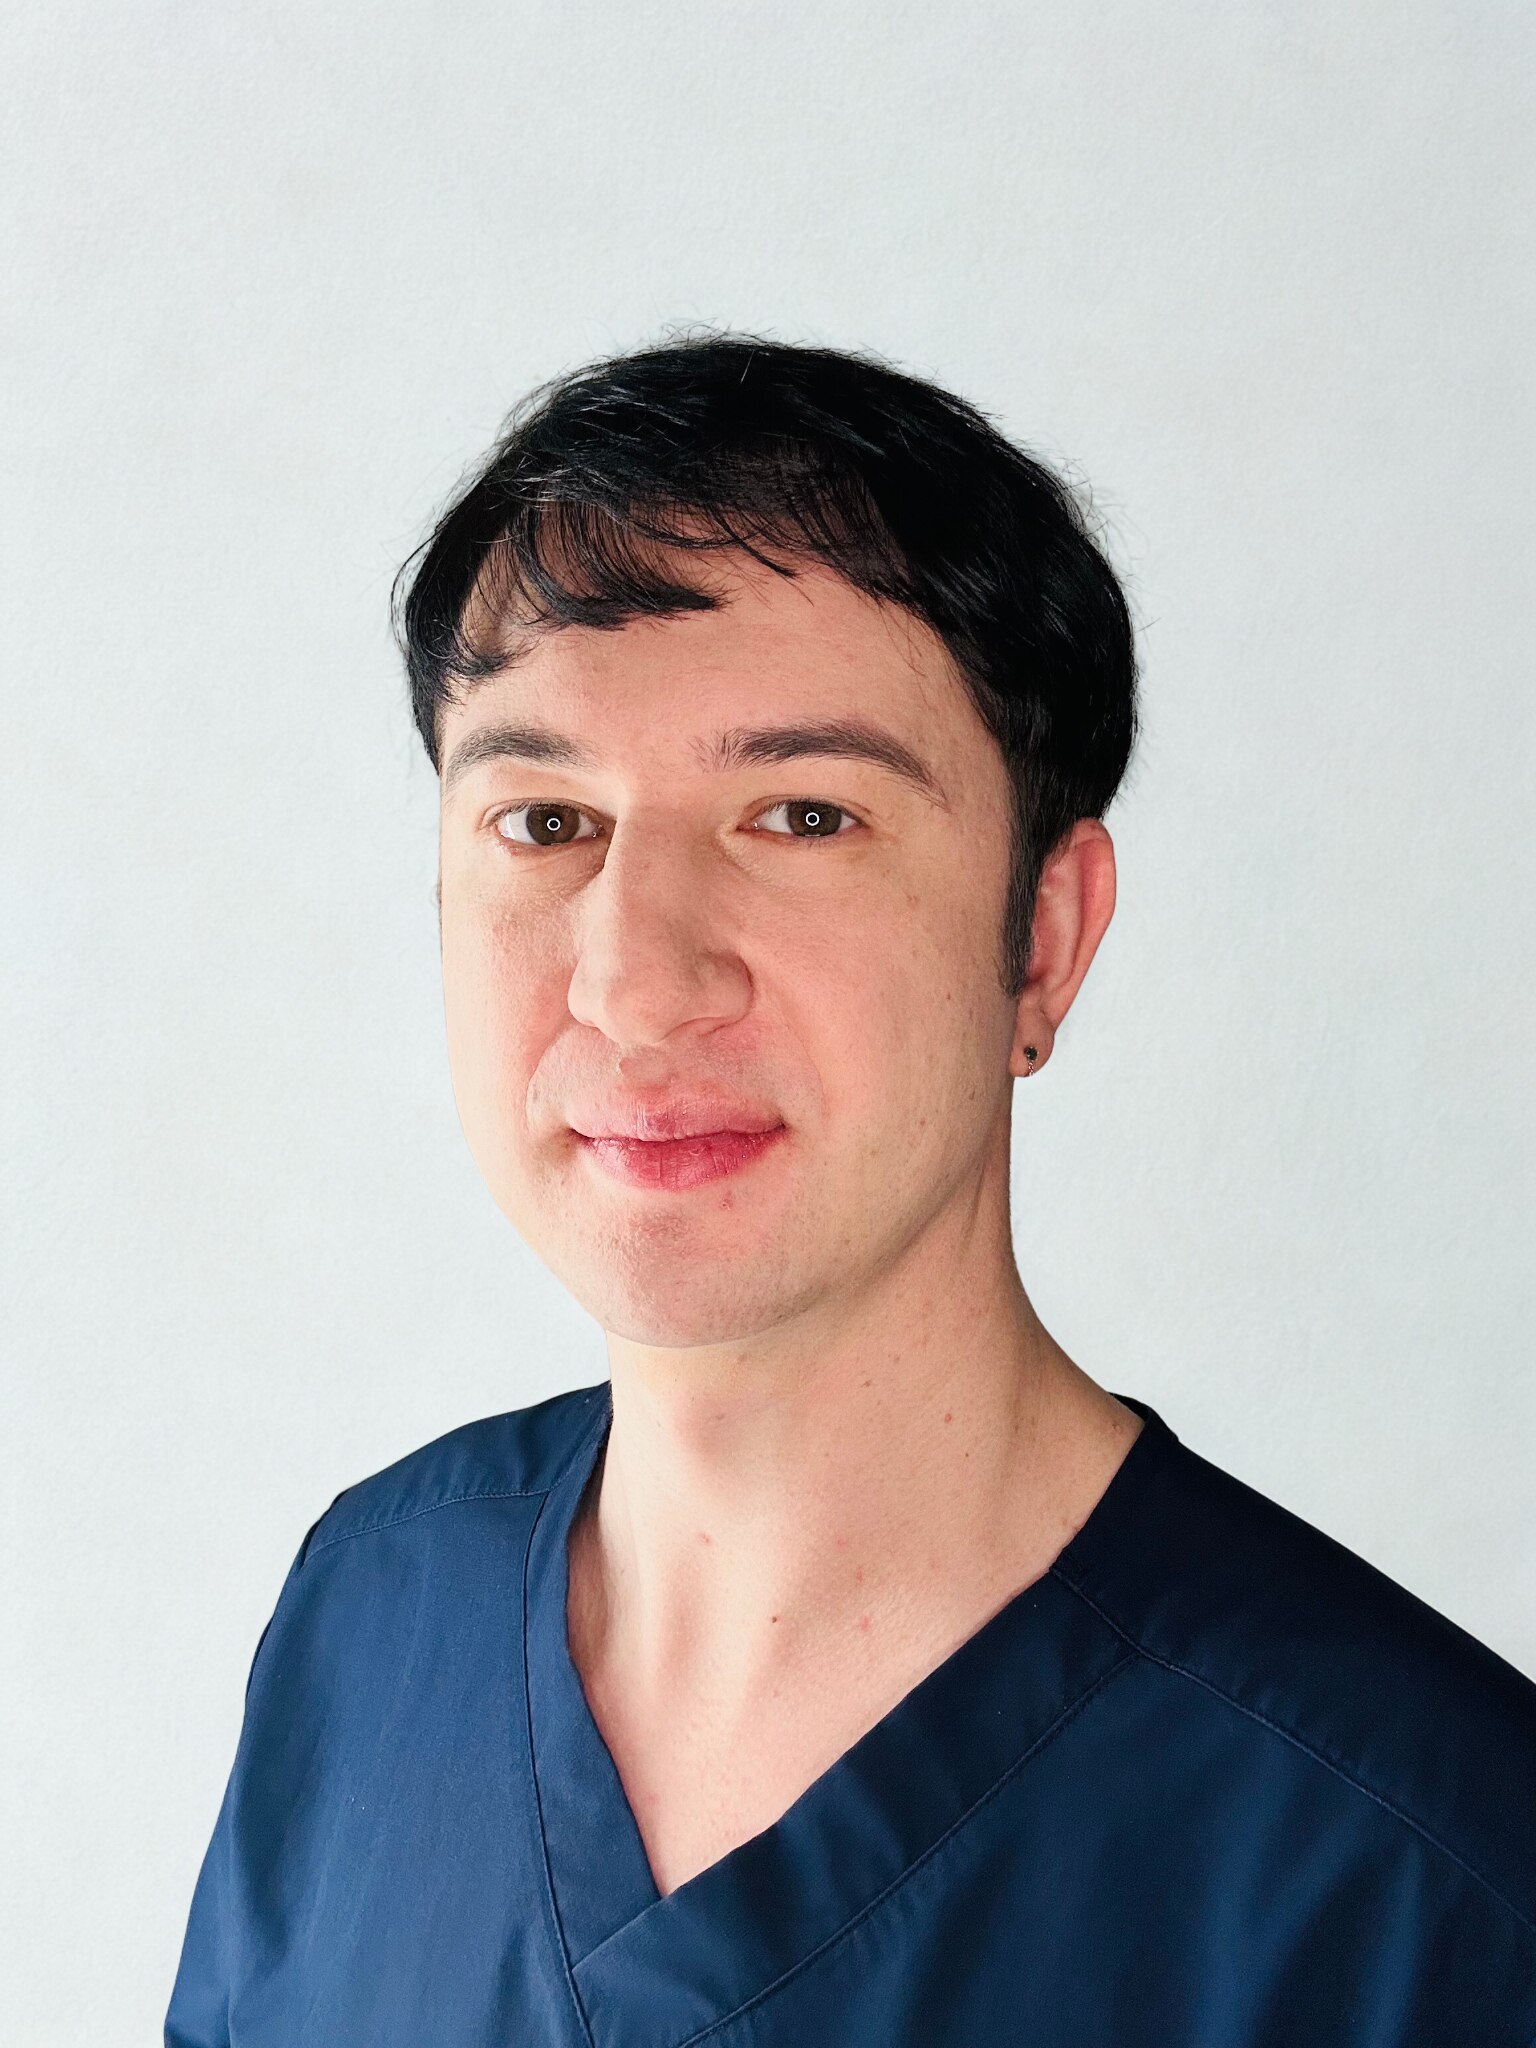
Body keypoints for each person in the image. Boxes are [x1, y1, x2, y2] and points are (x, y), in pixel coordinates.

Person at [165, 333, 1536, 2046]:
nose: (636, 982)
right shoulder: (371, 1626)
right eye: (542, 822)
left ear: (1040, 938)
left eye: (802, 815)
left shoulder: (1425, 1874)